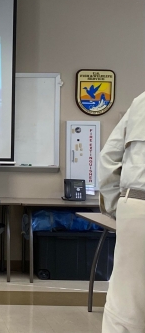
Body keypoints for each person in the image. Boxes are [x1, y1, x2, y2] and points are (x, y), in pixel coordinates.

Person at [98, 91, 145, 333]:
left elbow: (109, 157)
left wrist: (121, 207)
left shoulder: (141, 101)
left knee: (125, 305)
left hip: (137, 204)